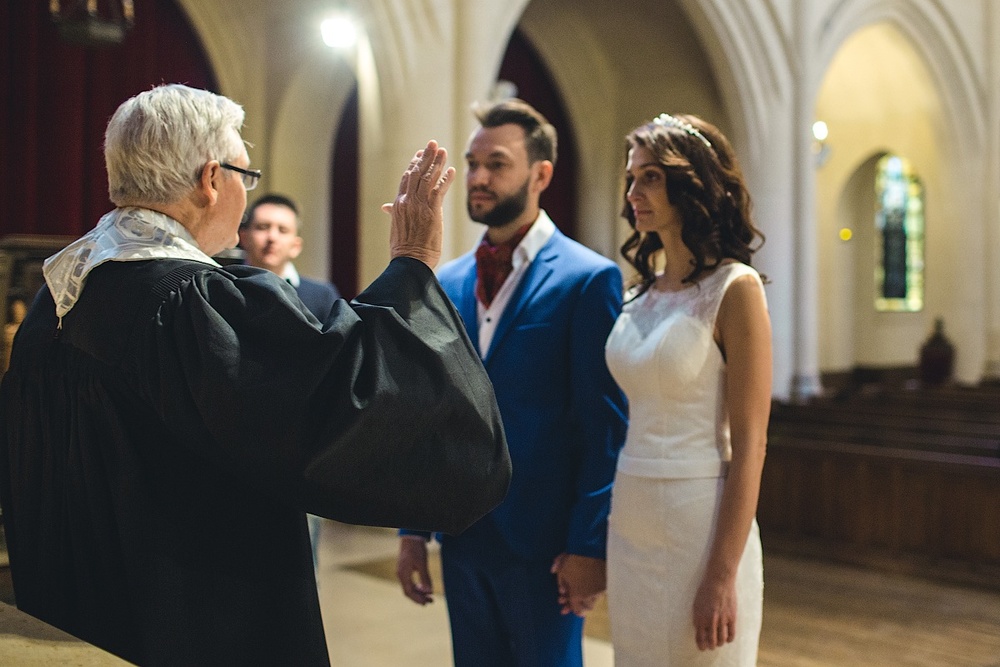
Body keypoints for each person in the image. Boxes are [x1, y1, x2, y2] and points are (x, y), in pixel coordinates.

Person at [0, 83, 511, 667]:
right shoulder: (193, 304)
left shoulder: (58, 295)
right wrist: (413, 267)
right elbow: (348, 408)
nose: (244, 197)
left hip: (77, 621)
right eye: (246, 176)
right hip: (191, 629)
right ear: (211, 180)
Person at [395, 98, 627, 666]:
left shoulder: (588, 278)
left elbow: (603, 426)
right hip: (464, 533)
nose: (477, 177)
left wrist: (587, 544)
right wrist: (412, 530)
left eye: (496, 164)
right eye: (473, 163)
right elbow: (431, 412)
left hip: (545, 542)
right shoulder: (447, 281)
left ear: (541, 174)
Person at [604, 113, 771, 665]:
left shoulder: (735, 288)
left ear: (692, 181)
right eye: (632, 178)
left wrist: (721, 575)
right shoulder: (640, 295)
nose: (634, 193)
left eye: (650, 177)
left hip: (698, 520)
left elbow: (751, 443)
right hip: (631, 516)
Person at [239, 192, 341, 565]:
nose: (271, 237)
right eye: (262, 227)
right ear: (244, 235)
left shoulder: (321, 296)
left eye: (282, 230)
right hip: (237, 450)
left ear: (296, 244)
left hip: (300, 454)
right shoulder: (221, 288)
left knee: (300, 563)